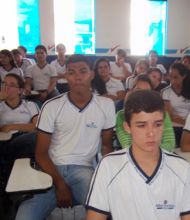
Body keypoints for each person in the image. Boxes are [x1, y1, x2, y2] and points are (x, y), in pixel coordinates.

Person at [16, 54, 116, 220]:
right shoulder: (51, 106)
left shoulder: (106, 105)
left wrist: (108, 178)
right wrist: (60, 184)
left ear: (92, 74)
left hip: (85, 169)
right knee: (24, 215)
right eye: (71, 72)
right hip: (51, 169)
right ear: (66, 76)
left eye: (83, 71)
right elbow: (41, 153)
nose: (77, 76)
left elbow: (106, 147)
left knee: (106, 212)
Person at [86, 90, 190, 220]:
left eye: (157, 124)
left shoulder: (182, 169)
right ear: (127, 127)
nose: (151, 133)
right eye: (141, 125)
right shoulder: (108, 166)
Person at [0, 73, 39, 192]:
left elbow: (37, 126)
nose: (7, 88)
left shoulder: (30, 105)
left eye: (12, 85)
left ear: (20, 90)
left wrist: (11, 126)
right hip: (4, 141)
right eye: (4, 84)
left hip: (25, 139)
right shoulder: (1, 106)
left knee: (37, 136)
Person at [116, 74, 175, 152]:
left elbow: (170, 144)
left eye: (146, 91)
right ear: (131, 91)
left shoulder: (163, 114)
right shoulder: (121, 115)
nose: (142, 95)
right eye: (138, 90)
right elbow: (127, 145)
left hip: (161, 158)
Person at [161, 63, 190, 146]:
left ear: (183, 76)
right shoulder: (166, 92)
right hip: (172, 128)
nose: (172, 80)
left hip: (189, 128)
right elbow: (169, 116)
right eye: (170, 76)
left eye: (176, 77)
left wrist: (187, 123)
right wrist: (186, 122)